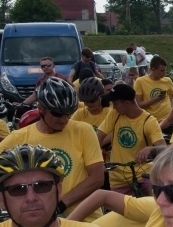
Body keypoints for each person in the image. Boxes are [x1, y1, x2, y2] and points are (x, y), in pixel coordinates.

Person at [1, 77, 104, 217]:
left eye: (68, 114)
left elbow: (97, 178)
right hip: (39, 220)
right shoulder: (19, 138)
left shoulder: (83, 130)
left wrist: (61, 205)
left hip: (86, 217)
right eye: (57, 114)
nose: (64, 120)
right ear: (41, 108)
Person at [97, 84, 166, 195]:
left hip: (143, 174)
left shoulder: (149, 121)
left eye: (115, 104)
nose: (113, 107)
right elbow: (98, 137)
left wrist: (150, 149)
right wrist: (98, 161)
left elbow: (163, 149)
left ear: (127, 103)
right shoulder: (114, 114)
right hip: (118, 177)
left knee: (155, 200)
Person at [133, 55, 173, 123]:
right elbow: (138, 104)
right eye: (162, 71)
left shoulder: (167, 80)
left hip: (167, 120)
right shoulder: (140, 81)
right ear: (153, 70)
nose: (164, 73)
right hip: (150, 121)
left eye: (165, 70)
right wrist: (154, 100)